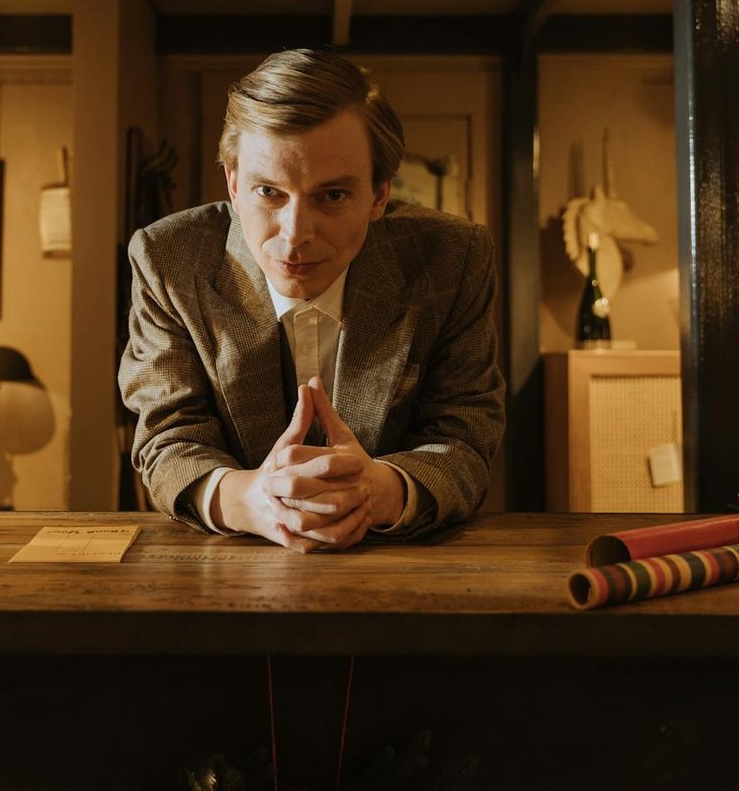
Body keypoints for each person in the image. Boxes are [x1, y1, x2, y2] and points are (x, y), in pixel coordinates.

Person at [118, 49, 504, 550]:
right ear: (233, 186)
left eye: (333, 196)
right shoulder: (167, 258)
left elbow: (466, 433)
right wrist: (251, 498)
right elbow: (167, 437)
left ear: (380, 194)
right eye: (268, 192)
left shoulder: (453, 258)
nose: (295, 235)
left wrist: (378, 490)